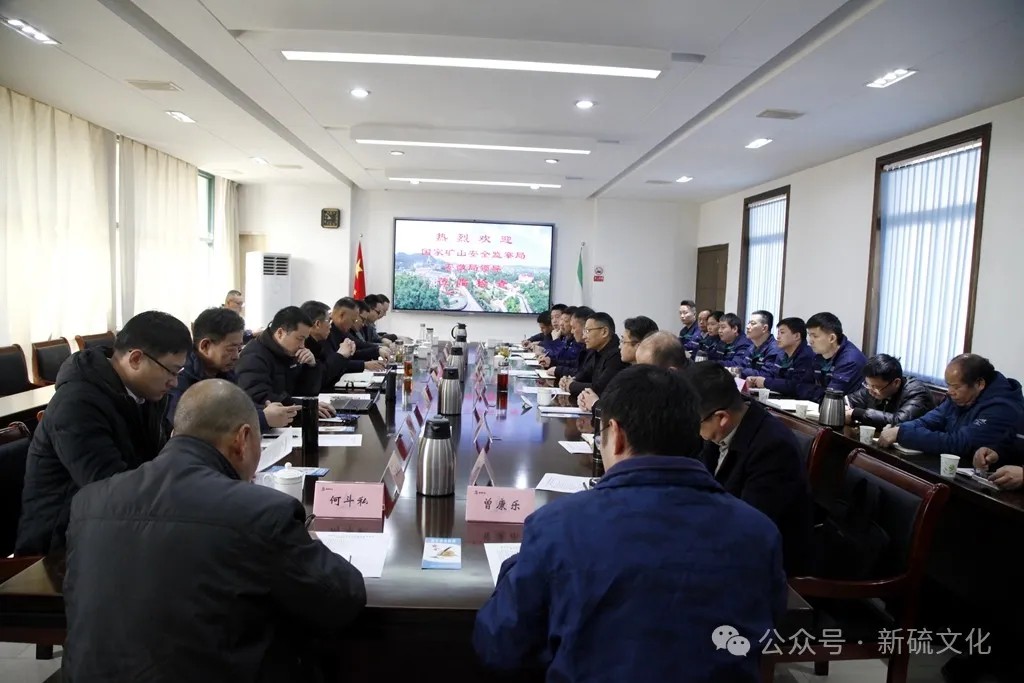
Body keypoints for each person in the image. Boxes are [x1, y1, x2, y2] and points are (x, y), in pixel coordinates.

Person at [473, 365, 786, 681]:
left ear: (617, 435)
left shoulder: (557, 527)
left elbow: (501, 645)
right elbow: (764, 631)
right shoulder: (759, 531)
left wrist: (518, 564)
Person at [63, 379, 366, 682]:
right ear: (243, 439)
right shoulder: (261, 513)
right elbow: (341, 599)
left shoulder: (89, 501)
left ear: (175, 434)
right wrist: (308, 539)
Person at [16, 311, 191, 556]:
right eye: (171, 371)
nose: (174, 383)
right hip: (58, 548)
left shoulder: (147, 394)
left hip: (112, 527)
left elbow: (157, 463)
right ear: (136, 359)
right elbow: (109, 489)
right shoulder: (76, 404)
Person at [685, 363, 813, 575]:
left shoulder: (773, 448)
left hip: (763, 565)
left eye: (695, 424)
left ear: (721, 418)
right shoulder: (721, 430)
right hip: (724, 543)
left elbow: (750, 527)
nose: (694, 431)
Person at [167, 307, 298, 430]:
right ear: (205, 346)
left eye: (239, 348)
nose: (236, 356)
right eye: (231, 349)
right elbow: (190, 424)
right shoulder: (180, 376)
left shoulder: (226, 373)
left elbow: (238, 409)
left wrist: (265, 410)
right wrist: (262, 418)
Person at [878, 354, 1024, 458]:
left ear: (979, 384)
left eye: (956, 386)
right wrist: (899, 428)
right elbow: (929, 420)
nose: (950, 391)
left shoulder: (1003, 408)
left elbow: (960, 443)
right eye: (948, 385)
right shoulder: (960, 397)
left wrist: (902, 434)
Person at [235, 306, 334, 418]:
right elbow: (261, 398)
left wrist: (311, 366)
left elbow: (305, 392)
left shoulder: (289, 352)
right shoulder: (253, 357)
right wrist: (305, 407)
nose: (303, 345)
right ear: (280, 333)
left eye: (305, 339)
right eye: (300, 339)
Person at [579, 315, 658, 411]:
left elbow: (621, 412)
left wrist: (594, 404)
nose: (619, 346)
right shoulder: (630, 371)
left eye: (623, 341)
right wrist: (585, 399)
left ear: (638, 346)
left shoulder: (646, 379)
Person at [845, 354, 936, 429]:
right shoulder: (872, 388)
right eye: (868, 384)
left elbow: (900, 421)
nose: (871, 390)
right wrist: (844, 408)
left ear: (896, 383)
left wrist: (857, 413)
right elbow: (847, 400)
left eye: (876, 387)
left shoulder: (917, 392)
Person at [561, 312, 628, 401]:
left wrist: (571, 385)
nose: (584, 336)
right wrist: (570, 379)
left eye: (588, 331)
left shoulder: (617, 355)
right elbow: (585, 373)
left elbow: (600, 388)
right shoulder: (595, 350)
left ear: (604, 332)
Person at [301, 300, 364, 391]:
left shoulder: (319, 343)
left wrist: (346, 354)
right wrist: (341, 355)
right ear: (317, 324)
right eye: (328, 321)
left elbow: (333, 375)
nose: (330, 326)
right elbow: (322, 378)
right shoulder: (303, 346)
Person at [804, 312, 867, 402]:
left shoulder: (850, 360)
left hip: (845, 408)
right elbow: (802, 386)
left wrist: (817, 392)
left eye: (815, 336)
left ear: (832, 338)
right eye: (809, 335)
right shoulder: (818, 354)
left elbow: (831, 397)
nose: (810, 341)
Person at [745, 317, 815, 398]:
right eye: (778, 333)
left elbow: (796, 386)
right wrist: (756, 380)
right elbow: (772, 376)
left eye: (782, 332)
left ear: (797, 336)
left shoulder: (806, 356)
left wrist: (765, 382)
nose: (778, 337)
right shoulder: (781, 354)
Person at [329, 298, 387, 364]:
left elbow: (358, 345)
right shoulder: (327, 332)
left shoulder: (341, 330)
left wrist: (377, 350)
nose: (353, 324)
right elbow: (332, 364)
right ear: (341, 315)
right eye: (353, 320)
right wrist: (364, 365)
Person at [739, 310, 781, 378]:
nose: (747, 326)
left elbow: (765, 375)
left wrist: (741, 371)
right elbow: (741, 366)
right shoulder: (751, 347)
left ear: (764, 328)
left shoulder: (775, 349)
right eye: (748, 323)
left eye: (752, 323)